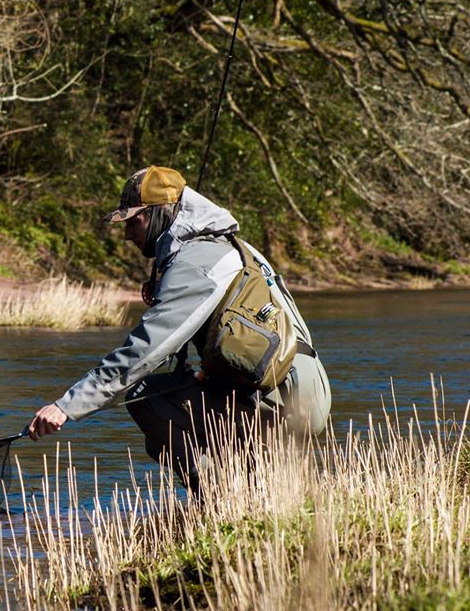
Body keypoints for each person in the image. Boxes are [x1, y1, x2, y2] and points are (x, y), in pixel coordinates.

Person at [26, 166, 331, 490]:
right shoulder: (235, 248)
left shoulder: (197, 262)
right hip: (304, 391)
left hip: (278, 399)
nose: (128, 234)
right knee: (177, 394)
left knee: (146, 396)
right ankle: (264, 486)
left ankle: (222, 498)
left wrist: (66, 406)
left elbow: (144, 353)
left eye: (133, 221)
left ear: (160, 213)